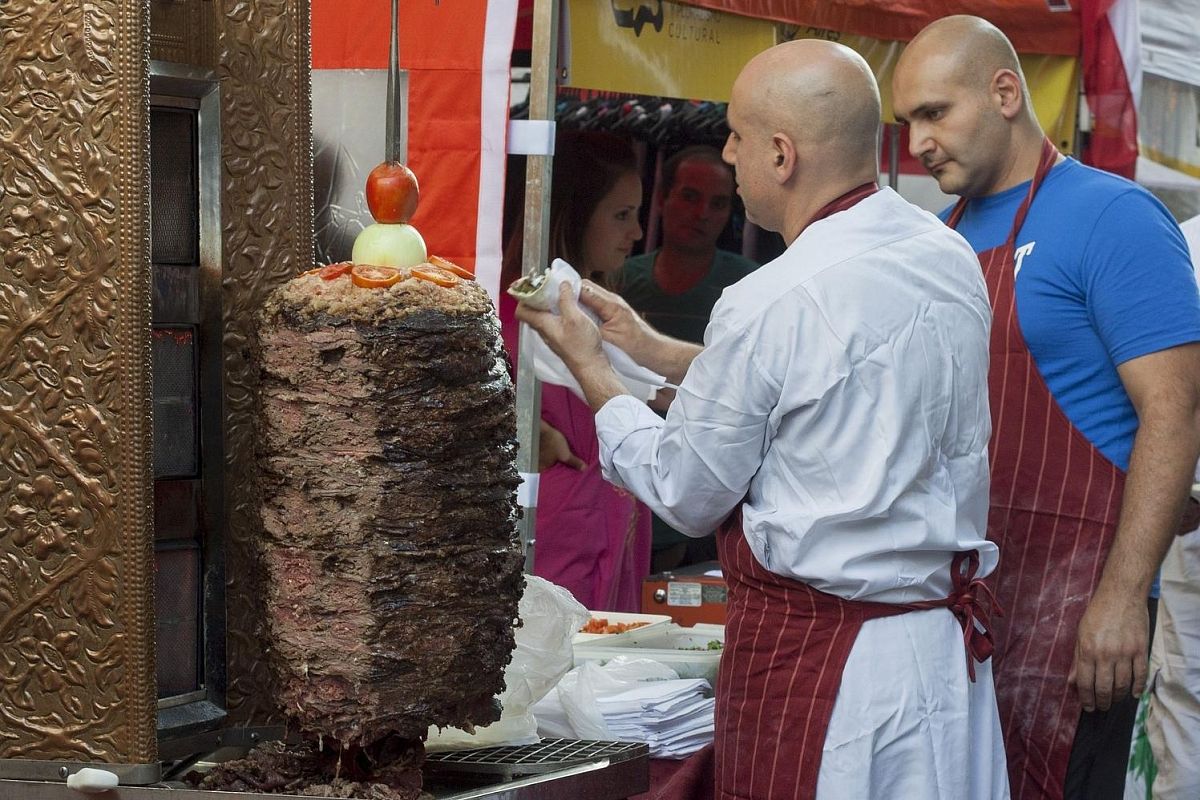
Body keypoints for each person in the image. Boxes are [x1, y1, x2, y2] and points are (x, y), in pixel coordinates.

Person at [518, 39, 1008, 799]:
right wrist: (652, 349)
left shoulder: (770, 298)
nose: (728, 153)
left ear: (782, 155)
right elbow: (827, 384)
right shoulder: (944, 255)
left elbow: (686, 489)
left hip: (831, 669)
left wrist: (591, 366)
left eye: (738, 137)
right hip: (936, 650)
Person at [892, 16, 1200, 800]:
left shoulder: (1114, 217)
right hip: (962, 608)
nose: (918, 143)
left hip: (1079, 609)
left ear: (1004, 92)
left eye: (934, 113)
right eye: (907, 124)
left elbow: (1175, 415)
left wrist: (1125, 598)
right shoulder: (934, 242)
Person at [499, 130, 651, 612]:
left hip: (607, 551)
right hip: (557, 562)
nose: (638, 233)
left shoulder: (608, 317)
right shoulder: (512, 319)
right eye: (622, 215)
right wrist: (521, 431)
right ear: (576, 214)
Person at [619, 145, 758, 571]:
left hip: (708, 497)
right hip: (626, 484)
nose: (702, 214)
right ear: (663, 198)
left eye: (718, 203)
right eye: (690, 196)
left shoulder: (749, 286)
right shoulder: (621, 279)